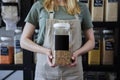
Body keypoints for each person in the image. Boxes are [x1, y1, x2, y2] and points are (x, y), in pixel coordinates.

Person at [20, 0, 95, 80]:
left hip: (73, 72)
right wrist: (46, 51)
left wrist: (76, 53)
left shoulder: (81, 8)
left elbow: (91, 41)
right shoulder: (39, 6)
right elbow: (24, 41)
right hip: (45, 71)